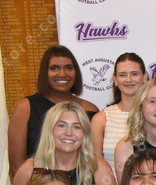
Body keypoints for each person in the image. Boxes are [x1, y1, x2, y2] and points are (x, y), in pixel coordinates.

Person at [8, 101, 119, 185]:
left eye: (77, 127)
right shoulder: (28, 171)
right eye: (61, 125)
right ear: (50, 130)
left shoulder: (99, 168)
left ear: (85, 133)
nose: (69, 133)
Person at [8, 45, 98, 175]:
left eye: (69, 68)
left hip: (83, 184)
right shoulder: (26, 107)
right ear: (44, 73)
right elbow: (17, 165)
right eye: (54, 68)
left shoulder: (91, 110)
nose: (62, 74)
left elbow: (94, 158)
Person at [92, 52, 147, 177]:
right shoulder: (101, 120)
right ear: (115, 80)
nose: (128, 79)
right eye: (122, 75)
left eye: (134, 74)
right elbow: (96, 167)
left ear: (145, 78)